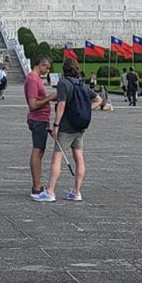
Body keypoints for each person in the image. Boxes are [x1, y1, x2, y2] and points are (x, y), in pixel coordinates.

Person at [44, 57, 101, 202]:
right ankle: (76, 191)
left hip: (67, 127)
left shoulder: (64, 83)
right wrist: (86, 110)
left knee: (57, 157)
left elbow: (61, 105)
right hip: (80, 126)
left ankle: (50, 191)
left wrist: (56, 125)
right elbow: (99, 100)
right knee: (79, 157)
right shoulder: (82, 84)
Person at [25, 56, 56, 199]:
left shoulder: (36, 79)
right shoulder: (32, 79)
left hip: (41, 120)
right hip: (37, 119)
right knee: (37, 152)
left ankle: (37, 185)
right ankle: (36, 188)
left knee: (40, 151)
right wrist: (49, 98)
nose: (47, 71)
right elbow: (33, 104)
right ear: (40, 65)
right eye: (47, 68)